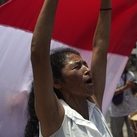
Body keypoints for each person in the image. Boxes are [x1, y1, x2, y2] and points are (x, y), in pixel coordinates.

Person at [24, 0, 113, 136]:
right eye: (77, 67)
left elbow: (100, 48)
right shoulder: (54, 116)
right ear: (57, 82)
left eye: (85, 64)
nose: (87, 70)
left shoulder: (94, 105)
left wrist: (106, 3)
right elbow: (38, 55)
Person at [109, 59, 137, 137]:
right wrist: (125, 87)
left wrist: (133, 86)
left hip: (130, 109)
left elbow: (135, 92)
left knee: (133, 133)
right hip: (117, 110)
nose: (130, 63)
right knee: (116, 134)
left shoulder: (131, 74)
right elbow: (109, 93)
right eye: (128, 61)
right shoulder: (112, 76)